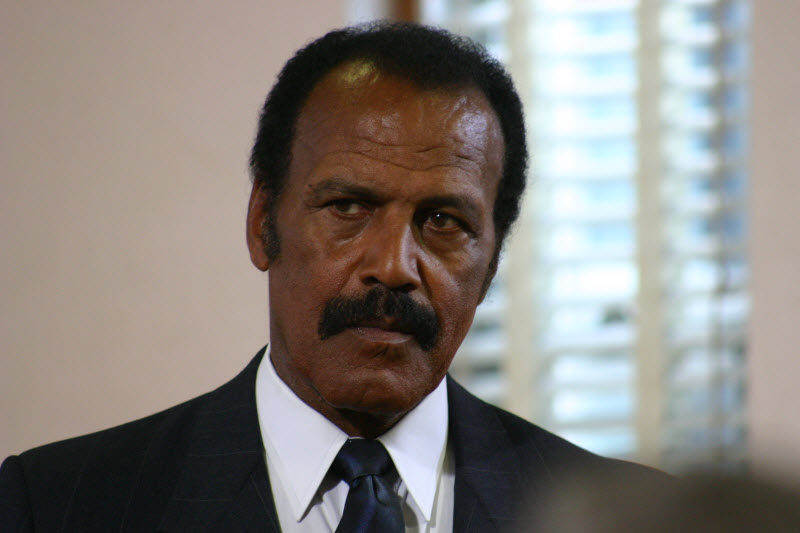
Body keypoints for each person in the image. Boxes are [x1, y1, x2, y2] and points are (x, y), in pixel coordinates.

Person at [0, 22, 664, 532]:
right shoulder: (56, 505)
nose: (393, 266)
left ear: (491, 264)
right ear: (262, 223)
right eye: (347, 207)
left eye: (443, 221)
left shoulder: (634, 517)